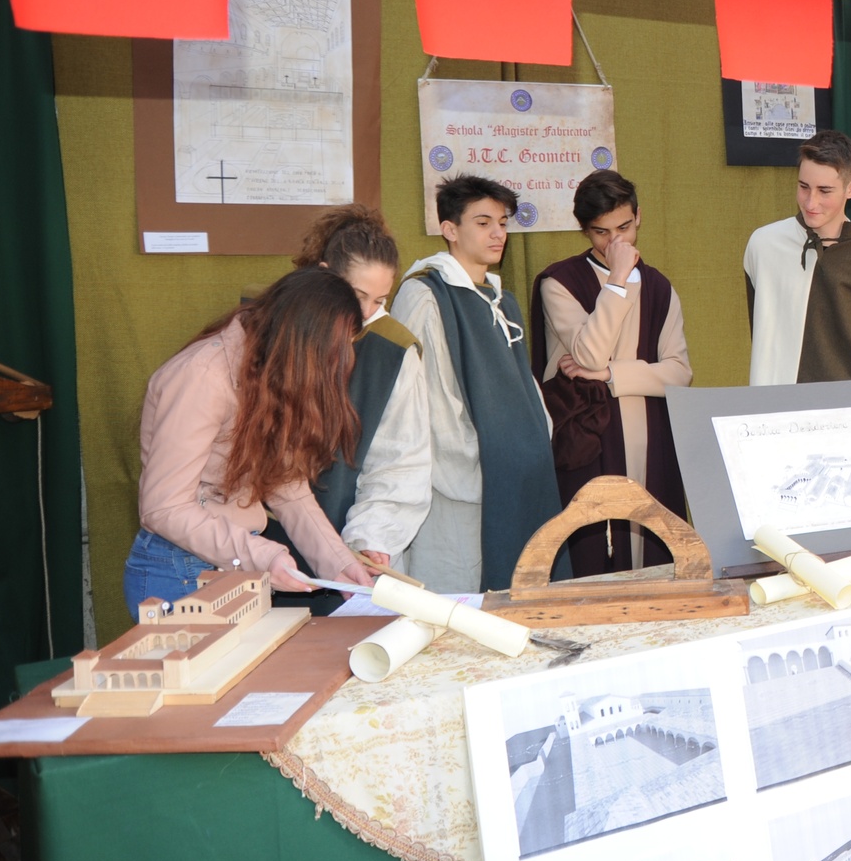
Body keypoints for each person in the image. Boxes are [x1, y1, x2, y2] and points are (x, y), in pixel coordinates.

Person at [125, 267, 376, 614]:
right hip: (178, 572)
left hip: (230, 563)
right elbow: (164, 508)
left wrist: (338, 563)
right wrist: (262, 556)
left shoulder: (266, 369)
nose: (335, 365)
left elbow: (286, 484)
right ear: (302, 342)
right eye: (332, 352)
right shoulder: (202, 377)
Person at [392, 174, 561, 593]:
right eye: (483, 223)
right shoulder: (425, 295)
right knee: (460, 590)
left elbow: (524, 385)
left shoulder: (501, 299)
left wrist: (536, 443)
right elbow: (424, 396)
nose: (498, 234)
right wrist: (475, 459)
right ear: (450, 229)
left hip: (511, 471)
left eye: (502, 223)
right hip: (461, 478)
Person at [265, 206, 433, 614]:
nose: (367, 312)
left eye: (380, 300)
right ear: (325, 274)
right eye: (358, 296)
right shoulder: (273, 324)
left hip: (348, 536)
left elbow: (400, 462)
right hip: (266, 539)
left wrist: (371, 538)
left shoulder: (393, 350)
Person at [531, 169, 692, 574]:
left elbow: (679, 372)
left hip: (651, 437)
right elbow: (589, 354)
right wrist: (617, 280)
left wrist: (610, 375)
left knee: (654, 555)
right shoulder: (559, 282)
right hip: (588, 441)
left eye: (624, 227)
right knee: (593, 559)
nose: (615, 242)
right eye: (602, 233)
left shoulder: (659, 287)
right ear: (584, 230)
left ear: (639, 217)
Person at [743, 129, 851, 385]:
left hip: (848, 405)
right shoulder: (763, 245)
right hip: (774, 404)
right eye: (804, 187)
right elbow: (762, 326)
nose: (811, 202)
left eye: (825, 191)